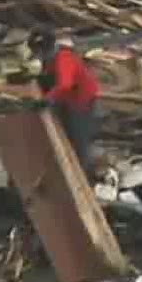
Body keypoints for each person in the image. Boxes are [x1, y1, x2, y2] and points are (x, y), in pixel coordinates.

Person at [32, 30, 99, 174]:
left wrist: (47, 99)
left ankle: (81, 172)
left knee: (78, 137)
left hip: (81, 100)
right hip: (69, 96)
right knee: (65, 125)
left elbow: (65, 84)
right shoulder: (51, 57)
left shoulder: (64, 58)